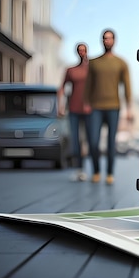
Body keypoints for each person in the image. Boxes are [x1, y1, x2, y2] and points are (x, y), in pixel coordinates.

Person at [83, 29, 133, 185]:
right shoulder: (93, 63)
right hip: (95, 107)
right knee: (93, 141)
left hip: (113, 107)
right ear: (101, 41)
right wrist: (85, 103)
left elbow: (127, 87)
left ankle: (110, 173)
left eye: (110, 38)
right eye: (105, 38)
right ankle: (96, 171)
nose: (107, 41)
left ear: (114, 41)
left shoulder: (121, 63)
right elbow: (87, 85)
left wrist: (129, 108)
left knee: (112, 142)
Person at [58, 43, 93, 181]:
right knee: (75, 140)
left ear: (86, 51)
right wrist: (60, 105)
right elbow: (61, 87)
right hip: (73, 109)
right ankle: (79, 169)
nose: (82, 53)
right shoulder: (71, 70)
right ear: (77, 52)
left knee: (90, 140)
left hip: (90, 110)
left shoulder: (92, 69)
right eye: (79, 50)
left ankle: (94, 169)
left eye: (84, 50)